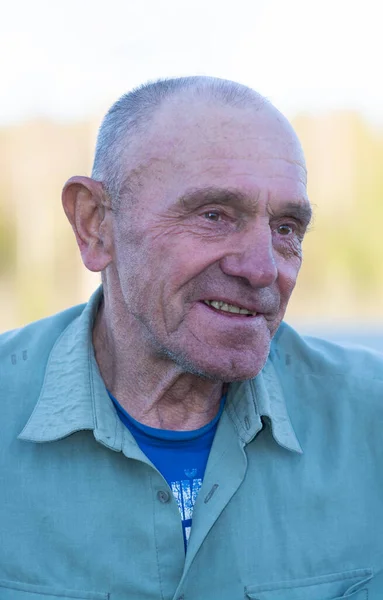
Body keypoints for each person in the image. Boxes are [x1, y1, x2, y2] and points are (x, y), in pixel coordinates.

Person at [0, 76, 382, 600]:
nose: (263, 269)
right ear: (95, 225)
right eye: (214, 216)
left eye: (287, 228)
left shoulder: (370, 420)